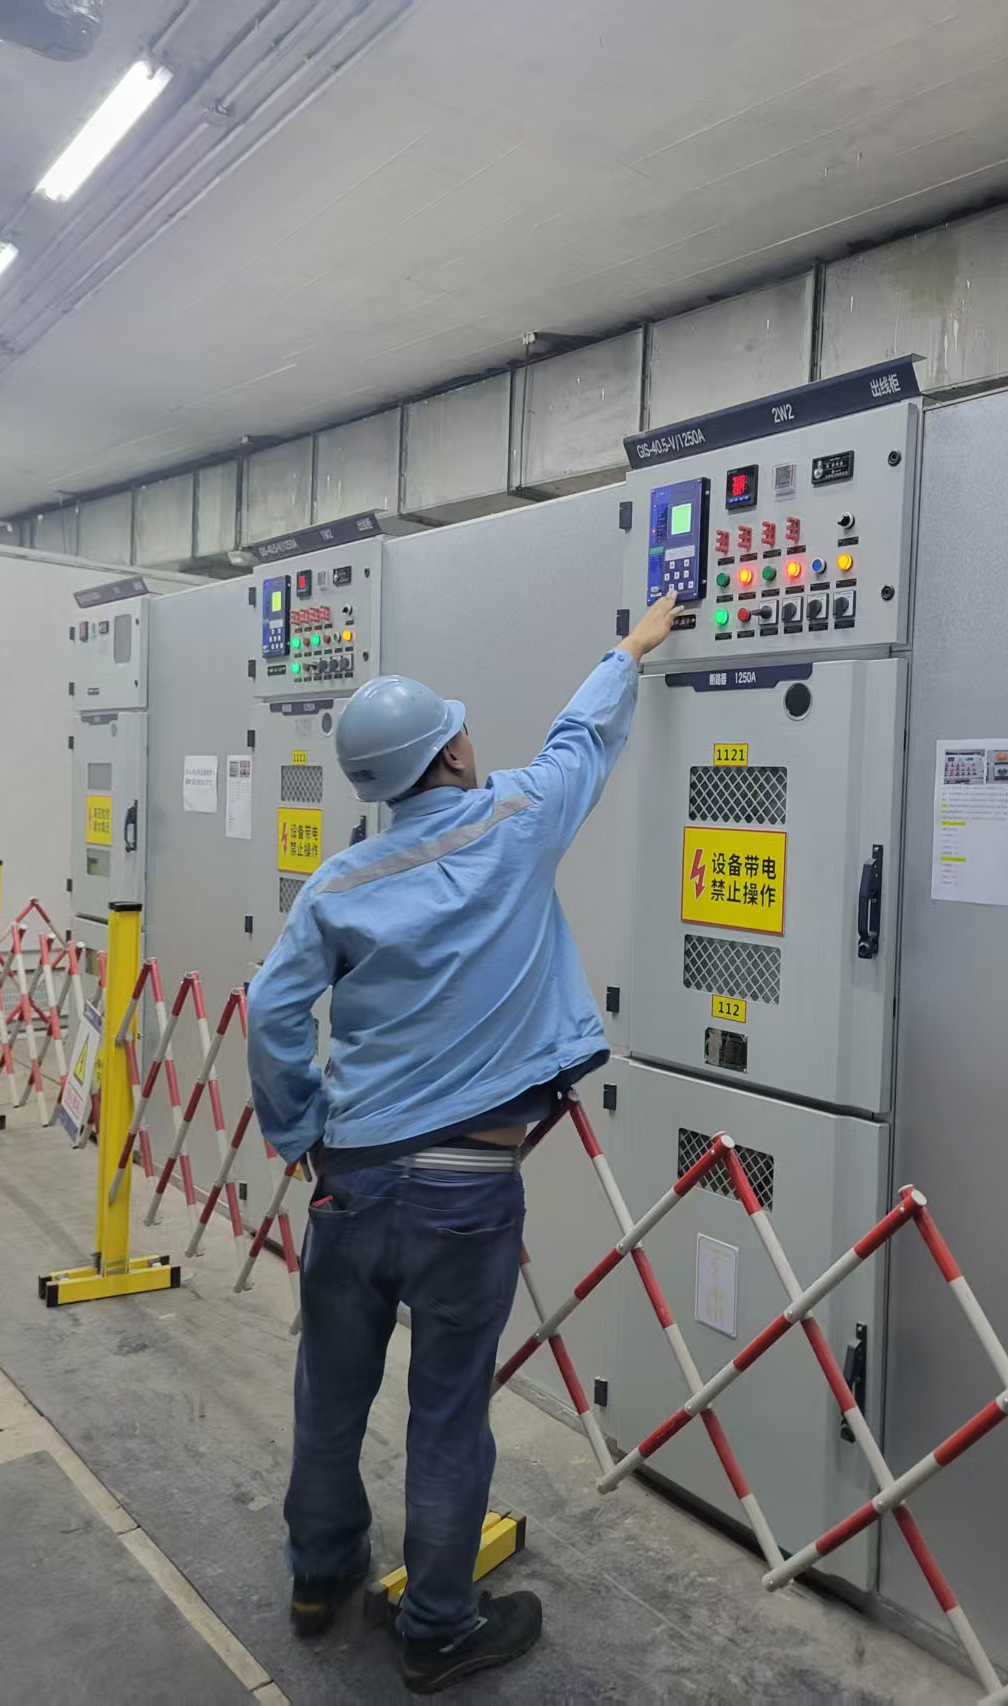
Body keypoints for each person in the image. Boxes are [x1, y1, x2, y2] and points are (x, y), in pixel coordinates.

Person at [245, 589, 678, 1694]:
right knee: (445, 1412)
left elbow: (270, 1009)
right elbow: (582, 739)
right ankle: (439, 1626)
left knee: (329, 1391)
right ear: (451, 752)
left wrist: (297, 1126)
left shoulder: (339, 882)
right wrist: (629, 649)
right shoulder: (516, 821)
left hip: (350, 1181)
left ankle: (317, 1572)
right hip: (465, 1188)